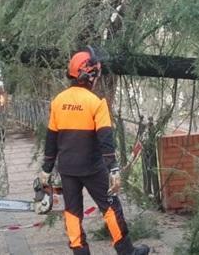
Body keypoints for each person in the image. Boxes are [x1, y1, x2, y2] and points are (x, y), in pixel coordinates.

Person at [41, 48, 151, 255]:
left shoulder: (58, 101)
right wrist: (114, 169)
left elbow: (51, 139)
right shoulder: (96, 103)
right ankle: (126, 251)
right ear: (89, 75)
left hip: (67, 169)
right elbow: (105, 141)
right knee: (110, 208)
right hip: (92, 168)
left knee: (72, 213)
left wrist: (46, 169)